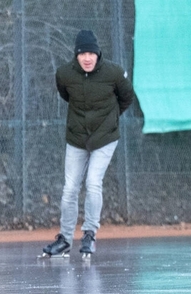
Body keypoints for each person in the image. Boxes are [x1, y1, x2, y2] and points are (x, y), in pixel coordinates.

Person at [42, 29, 136, 259]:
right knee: (70, 188)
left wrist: (110, 120)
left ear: (98, 54)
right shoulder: (64, 74)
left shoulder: (113, 73)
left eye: (91, 53)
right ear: (76, 55)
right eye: (82, 53)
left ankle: (89, 234)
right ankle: (65, 239)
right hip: (77, 138)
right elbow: (66, 95)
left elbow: (127, 97)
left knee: (93, 182)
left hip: (105, 138)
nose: (87, 58)